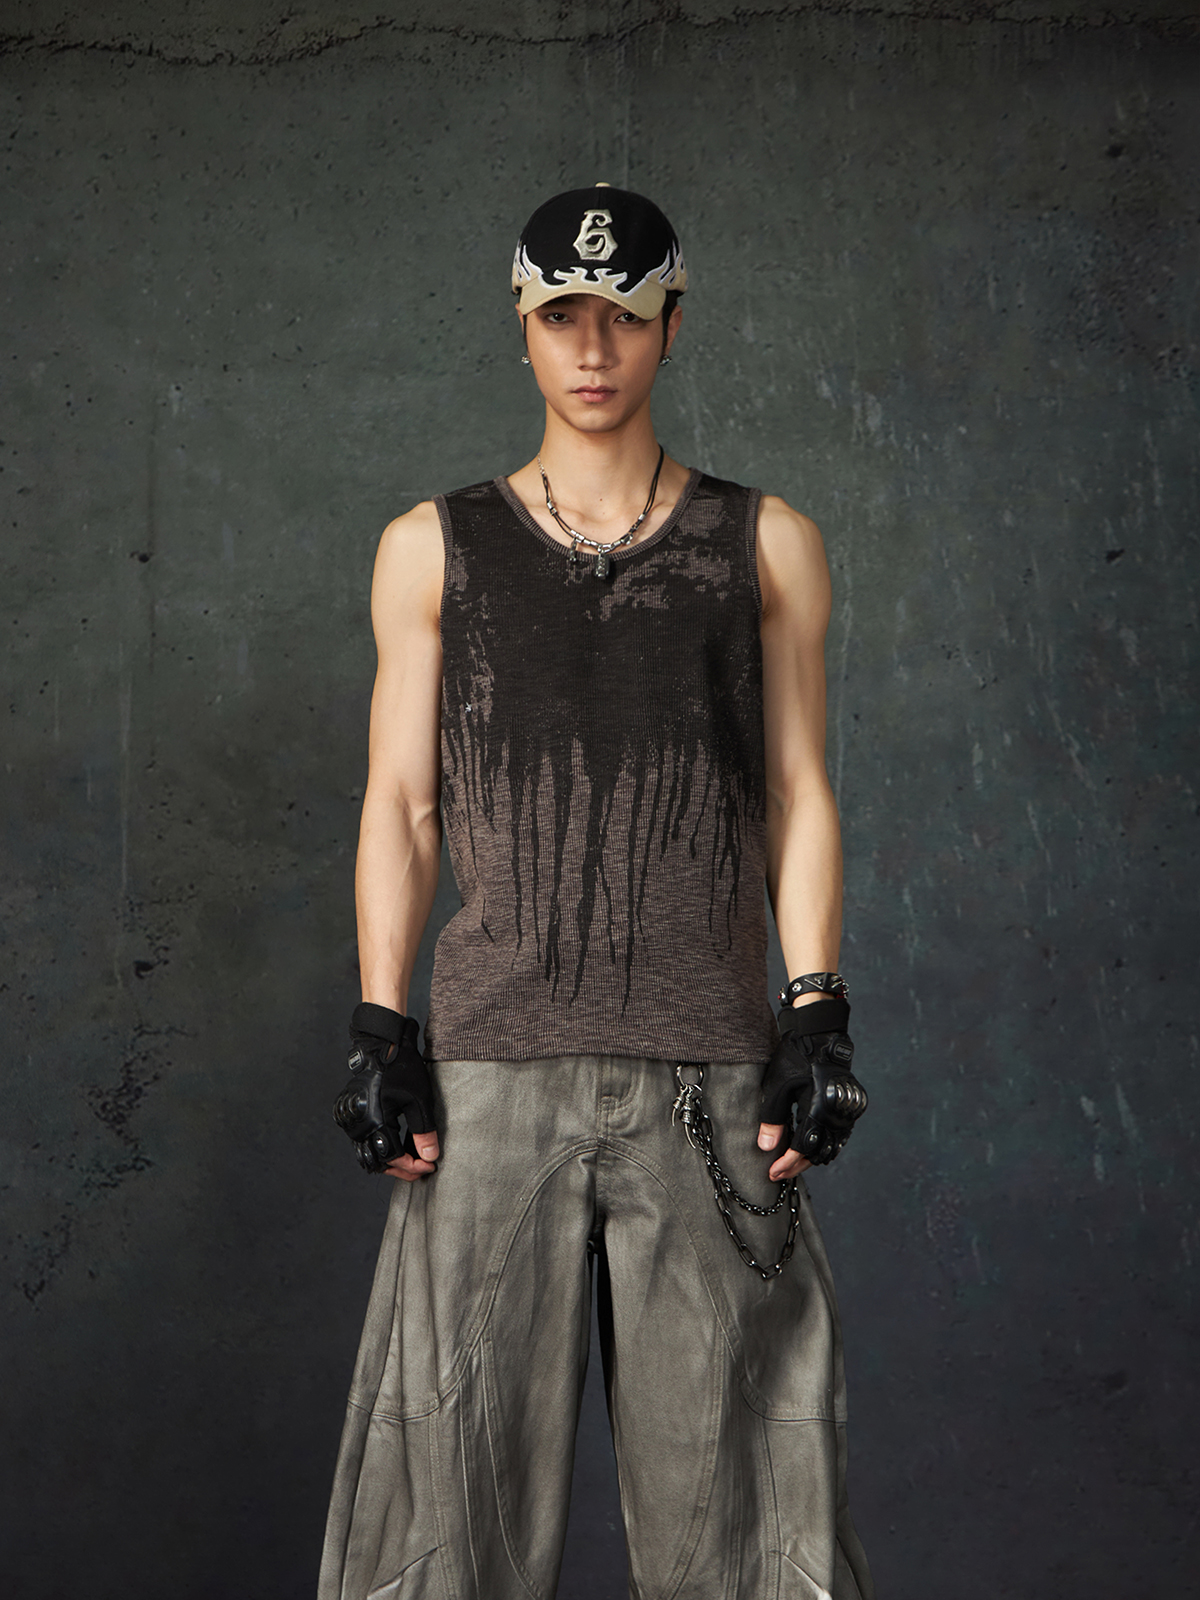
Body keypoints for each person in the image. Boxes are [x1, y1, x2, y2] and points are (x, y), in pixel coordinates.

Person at [319, 183, 874, 1600]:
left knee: (746, 1517)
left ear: (672, 325)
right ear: (521, 325)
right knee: (445, 1509)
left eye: (623, 315)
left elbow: (799, 791)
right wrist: (381, 1027)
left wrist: (816, 1012)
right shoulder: (431, 546)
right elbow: (401, 804)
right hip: (491, 1078)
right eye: (561, 313)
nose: (591, 346)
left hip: (709, 1074)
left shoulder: (765, 542)